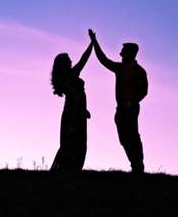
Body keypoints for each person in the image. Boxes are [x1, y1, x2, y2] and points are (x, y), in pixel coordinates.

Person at [88, 29, 148, 173]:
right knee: (124, 138)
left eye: (123, 53)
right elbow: (104, 60)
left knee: (133, 135)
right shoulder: (120, 68)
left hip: (131, 109)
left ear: (130, 54)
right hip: (121, 109)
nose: (120, 55)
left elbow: (144, 91)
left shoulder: (140, 71)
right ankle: (136, 164)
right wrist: (95, 42)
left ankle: (137, 165)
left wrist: (132, 101)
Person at [49, 40, 93, 172]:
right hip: (73, 113)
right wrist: (81, 110)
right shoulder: (66, 77)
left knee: (78, 142)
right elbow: (74, 96)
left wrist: (92, 43)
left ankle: (73, 169)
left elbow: (83, 59)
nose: (71, 61)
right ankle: (69, 169)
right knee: (72, 142)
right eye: (68, 59)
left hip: (77, 112)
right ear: (63, 64)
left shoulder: (71, 74)